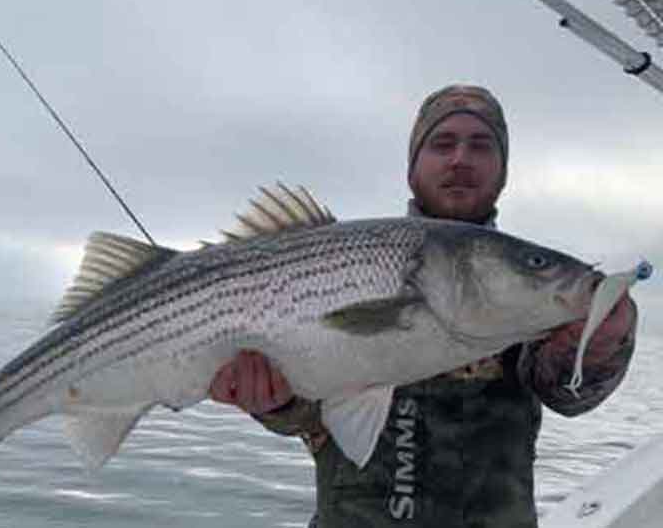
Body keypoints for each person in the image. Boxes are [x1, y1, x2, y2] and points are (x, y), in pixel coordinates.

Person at [209, 85, 638, 528]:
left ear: (502, 170)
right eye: (443, 143)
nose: (460, 158)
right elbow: (316, 413)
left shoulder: (528, 294)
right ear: (413, 167)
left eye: (481, 145)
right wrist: (273, 403)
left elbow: (568, 394)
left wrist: (600, 344)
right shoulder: (352, 262)